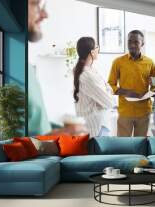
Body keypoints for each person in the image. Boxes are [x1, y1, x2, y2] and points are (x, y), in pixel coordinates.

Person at [27, 0, 87, 135]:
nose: (45, 15)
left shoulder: (28, 68)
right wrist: (61, 135)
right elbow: (13, 145)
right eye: (35, 3)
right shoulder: (11, 69)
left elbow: (37, 127)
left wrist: (59, 131)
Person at [108, 30, 155, 137]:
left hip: (144, 112)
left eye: (136, 42)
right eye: (129, 41)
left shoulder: (150, 62)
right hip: (125, 111)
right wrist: (127, 92)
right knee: (123, 146)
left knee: (141, 145)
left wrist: (152, 89)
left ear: (142, 44)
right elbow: (110, 86)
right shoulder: (118, 62)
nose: (132, 45)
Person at [73, 37, 115, 137]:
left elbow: (107, 89)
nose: (98, 49)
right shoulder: (87, 75)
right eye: (97, 47)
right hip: (96, 128)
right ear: (92, 52)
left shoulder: (88, 70)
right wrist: (108, 90)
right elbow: (109, 102)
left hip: (93, 125)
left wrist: (107, 89)